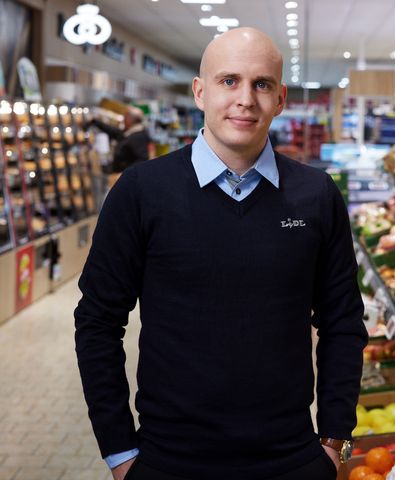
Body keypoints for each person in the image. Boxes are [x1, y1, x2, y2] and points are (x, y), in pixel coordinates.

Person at [75, 27, 367, 480]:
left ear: (281, 98)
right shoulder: (142, 191)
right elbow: (97, 321)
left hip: (291, 459)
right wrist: (119, 452)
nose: (245, 99)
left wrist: (334, 442)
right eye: (229, 80)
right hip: (168, 460)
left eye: (262, 84)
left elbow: (343, 324)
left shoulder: (316, 196)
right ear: (200, 91)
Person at [90, 105, 151, 173]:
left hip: (126, 178)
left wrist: (126, 174)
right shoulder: (129, 132)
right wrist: (95, 121)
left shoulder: (138, 136)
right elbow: (113, 131)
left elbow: (142, 159)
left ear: (130, 119)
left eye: (125, 117)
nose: (123, 120)